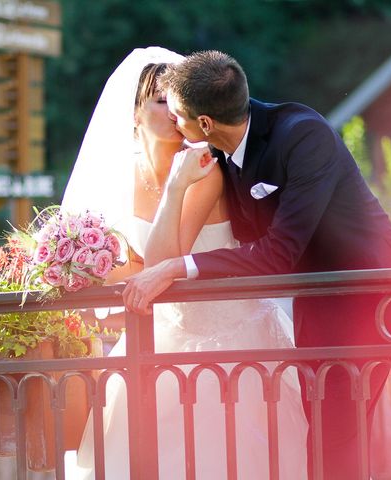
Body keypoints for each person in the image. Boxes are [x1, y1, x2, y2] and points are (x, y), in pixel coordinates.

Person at [122, 49, 391, 479]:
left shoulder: (303, 136)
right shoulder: (216, 149)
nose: (174, 124)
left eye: (179, 115)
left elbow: (279, 254)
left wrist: (174, 267)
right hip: (318, 296)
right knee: (321, 425)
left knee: (338, 429)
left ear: (205, 123)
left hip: (372, 295)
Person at [62, 47, 307, 479]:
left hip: (229, 341)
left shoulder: (203, 167)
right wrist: (78, 267)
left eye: (177, 103)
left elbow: (161, 264)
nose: (174, 114)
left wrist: (176, 186)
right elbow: (131, 266)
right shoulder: (124, 175)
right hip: (155, 336)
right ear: (135, 113)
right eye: (160, 101)